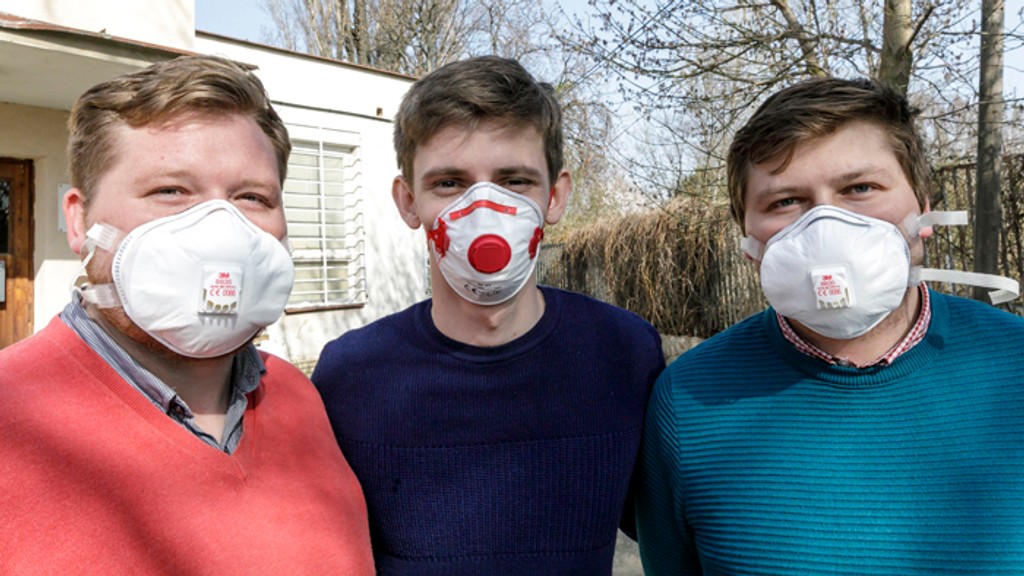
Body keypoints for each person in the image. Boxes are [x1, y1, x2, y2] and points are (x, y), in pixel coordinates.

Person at [0, 55, 374, 574]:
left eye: (252, 197)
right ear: (79, 220)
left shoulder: (296, 399)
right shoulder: (14, 420)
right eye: (171, 191)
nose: (220, 231)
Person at [636, 76, 1024, 574]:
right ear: (748, 239)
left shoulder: (1012, 366)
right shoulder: (688, 403)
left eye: (860, 188)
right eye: (785, 201)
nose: (825, 226)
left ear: (924, 209)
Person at [312, 55, 665, 575]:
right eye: (449, 183)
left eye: (514, 181)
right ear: (408, 202)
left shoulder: (623, 354)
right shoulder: (350, 376)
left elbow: (675, 533)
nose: (483, 210)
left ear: (555, 196)